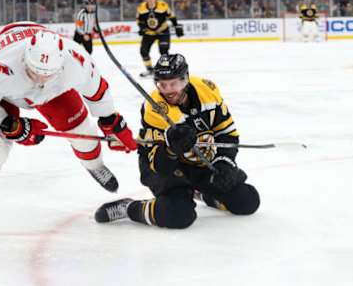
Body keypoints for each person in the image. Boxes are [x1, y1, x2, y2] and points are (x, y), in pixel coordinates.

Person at [0, 21, 137, 255]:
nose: (40, 79)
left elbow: (98, 92)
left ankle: (96, 166)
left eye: (46, 74)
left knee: (81, 129)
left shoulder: (76, 60)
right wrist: (10, 124)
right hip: (7, 89)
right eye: (34, 72)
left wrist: (111, 122)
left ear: (61, 63)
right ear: (25, 59)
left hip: (53, 91)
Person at [95, 54, 260, 229]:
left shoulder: (208, 91)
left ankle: (201, 193)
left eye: (173, 83)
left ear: (185, 79)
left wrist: (225, 163)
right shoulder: (154, 107)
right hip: (168, 168)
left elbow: (227, 133)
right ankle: (129, 207)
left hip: (201, 162)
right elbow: (158, 164)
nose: (167, 90)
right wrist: (171, 149)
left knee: (247, 200)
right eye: (162, 84)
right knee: (179, 214)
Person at [136, 0, 184, 77]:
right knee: (143, 51)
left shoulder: (163, 6)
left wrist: (176, 26)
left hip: (163, 31)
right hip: (149, 33)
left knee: (164, 50)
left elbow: (171, 16)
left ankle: (166, 68)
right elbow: (139, 21)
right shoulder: (141, 8)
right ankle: (150, 69)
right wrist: (142, 28)